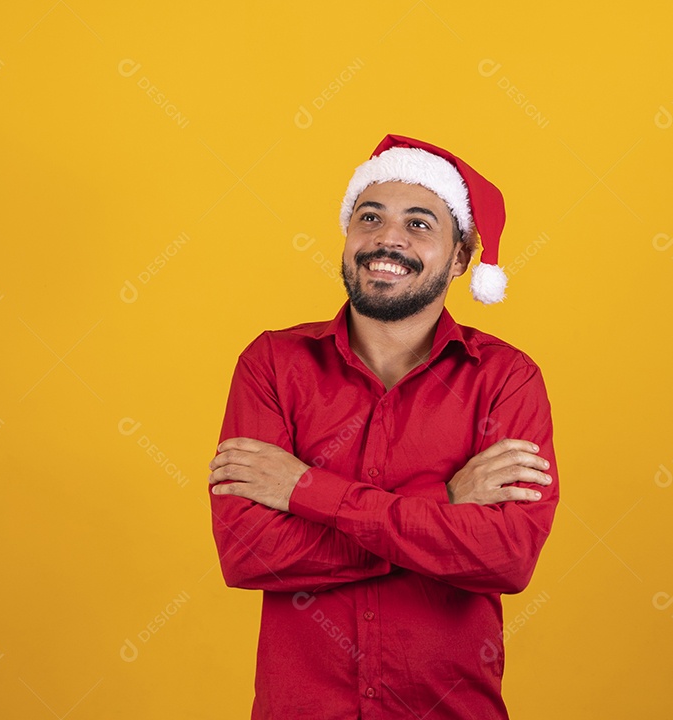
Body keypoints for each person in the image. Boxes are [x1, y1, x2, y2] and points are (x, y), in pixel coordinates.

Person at [207, 134, 559, 719]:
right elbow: (249, 554)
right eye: (369, 217)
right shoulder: (271, 364)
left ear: (459, 260)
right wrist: (442, 504)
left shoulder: (505, 379)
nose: (387, 238)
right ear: (348, 240)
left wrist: (305, 491)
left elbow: (505, 558)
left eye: (419, 223)